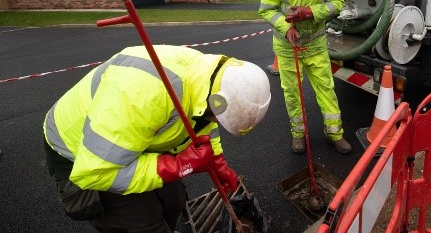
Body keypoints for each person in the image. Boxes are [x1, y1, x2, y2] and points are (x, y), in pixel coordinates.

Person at [42, 45, 271, 232]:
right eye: (218, 118)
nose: (216, 124)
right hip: (86, 153)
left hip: (133, 134)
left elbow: (203, 119)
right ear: (217, 100)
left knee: (174, 201)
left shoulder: (212, 77)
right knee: (144, 222)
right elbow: (95, 172)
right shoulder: (141, 98)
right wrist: (180, 165)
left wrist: (217, 162)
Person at [259, 0, 352, 154]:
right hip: (287, 45)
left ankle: (335, 133)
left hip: (316, 43)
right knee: (292, 93)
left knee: (326, 89)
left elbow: (338, 4)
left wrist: (310, 12)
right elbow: (266, 10)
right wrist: (286, 27)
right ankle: (298, 134)